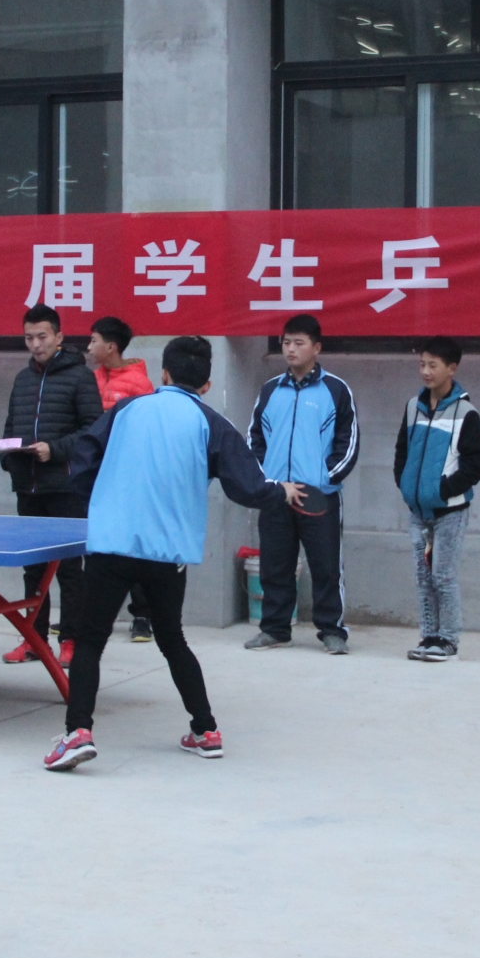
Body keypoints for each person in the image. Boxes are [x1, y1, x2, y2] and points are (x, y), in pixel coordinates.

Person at [43, 336, 306, 771]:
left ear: (163, 374)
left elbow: (83, 459)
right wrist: (280, 491)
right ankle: (206, 730)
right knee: (172, 640)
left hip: (113, 544)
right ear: (206, 385)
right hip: (167, 554)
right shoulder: (211, 422)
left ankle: (78, 734)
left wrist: (100, 499)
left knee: (89, 640)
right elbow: (247, 486)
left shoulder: (125, 410)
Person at [246, 313, 359, 655]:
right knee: (275, 565)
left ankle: (332, 631)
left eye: (299, 343)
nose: (290, 349)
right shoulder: (270, 390)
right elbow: (254, 440)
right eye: (286, 342)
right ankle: (275, 629)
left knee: (326, 567)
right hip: (276, 495)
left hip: (319, 496)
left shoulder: (336, 390)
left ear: (316, 348)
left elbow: (348, 443)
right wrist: (270, 482)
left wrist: (321, 481)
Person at [0, 304, 103, 667]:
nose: (35, 344)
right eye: (29, 338)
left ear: (59, 337)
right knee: (33, 569)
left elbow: (93, 430)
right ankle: (34, 640)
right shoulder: (22, 379)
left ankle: (71, 640)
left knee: (70, 570)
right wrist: (7, 456)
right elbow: (11, 425)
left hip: (65, 487)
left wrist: (54, 450)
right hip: (28, 488)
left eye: (42, 336)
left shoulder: (80, 377)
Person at [394, 336, 480, 662]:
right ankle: (429, 637)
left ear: (452, 368)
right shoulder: (413, 407)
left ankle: (448, 641)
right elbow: (402, 451)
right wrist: (406, 485)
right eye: (422, 364)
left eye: (433, 365)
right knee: (424, 577)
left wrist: (443, 490)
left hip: (450, 511)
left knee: (443, 576)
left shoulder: (465, 413)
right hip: (418, 511)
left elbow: (478, 463)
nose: (425, 371)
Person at [85, 314, 157, 643]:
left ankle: (142, 615)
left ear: (111, 347)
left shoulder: (140, 385)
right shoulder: (90, 379)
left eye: (93, 341)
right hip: (97, 475)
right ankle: (92, 612)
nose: (89, 347)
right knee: (97, 547)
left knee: (133, 546)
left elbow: (146, 433)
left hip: (129, 479)